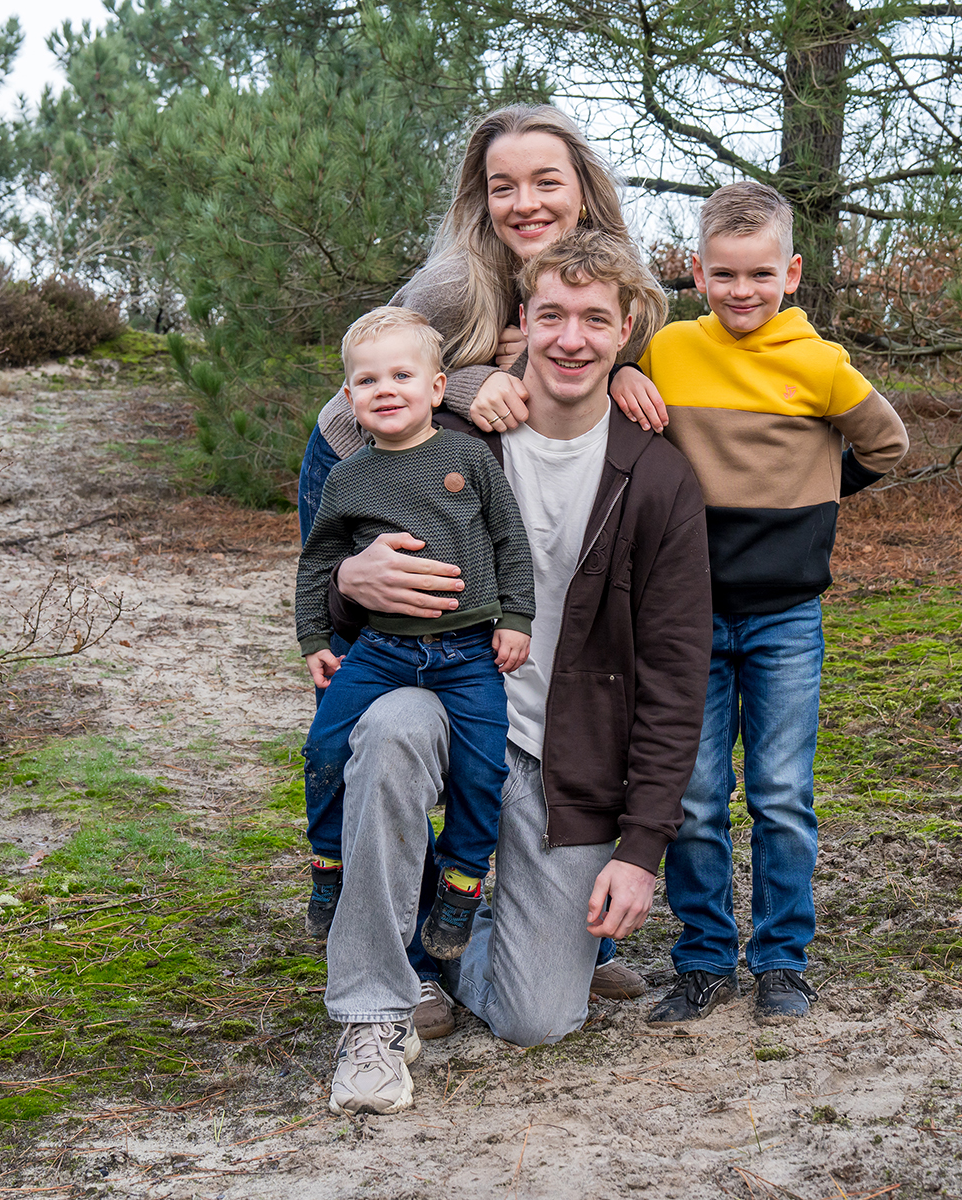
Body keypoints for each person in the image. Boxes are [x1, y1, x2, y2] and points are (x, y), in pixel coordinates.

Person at [320, 230, 712, 1115]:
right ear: (521, 325)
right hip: (444, 709)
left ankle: (467, 941)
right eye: (552, 316)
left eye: (594, 320)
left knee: (540, 1018)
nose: (571, 338)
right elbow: (342, 524)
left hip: (557, 756)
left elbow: (678, 673)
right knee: (386, 733)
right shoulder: (448, 440)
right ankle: (373, 1015)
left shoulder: (657, 479)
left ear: (627, 331)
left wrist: (642, 847)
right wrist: (348, 580)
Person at [294, 104, 661, 1031]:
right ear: (480, 196)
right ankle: (411, 953)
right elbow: (368, 398)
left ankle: (572, 939)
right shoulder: (456, 282)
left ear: (585, 188)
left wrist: (617, 374)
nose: (526, 202)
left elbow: (602, 358)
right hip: (356, 465)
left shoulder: (613, 270)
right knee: (384, 696)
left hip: (471, 483)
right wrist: (460, 381)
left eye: (548, 182)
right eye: (504, 186)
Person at [635, 181, 909, 1027]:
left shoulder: (820, 363)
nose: (742, 290)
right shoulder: (671, 351)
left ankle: (782, 959)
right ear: (696, 271)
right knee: (693, 794)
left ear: (791, 272)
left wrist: (813, 499)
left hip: (787, 615)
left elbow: (887, 443)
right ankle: (704, 957)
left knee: (783, 791)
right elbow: (623, 412)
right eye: (724, 274)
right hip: (685, 613)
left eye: (760, 274)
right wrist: (618, 386)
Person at [296, 307, 534, 960]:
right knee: (325, 748)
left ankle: (461, 882)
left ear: (436, 388)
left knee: (483, 771)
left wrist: (516, 619)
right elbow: (318, 562)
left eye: (402, 374)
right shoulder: (346, 478)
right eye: (368, 380)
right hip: (382, 651)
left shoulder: (469, 457)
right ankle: (327, 865)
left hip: (467, 653)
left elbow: (511, 539)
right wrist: (315, 637)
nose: (386, 389)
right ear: (349, 398)